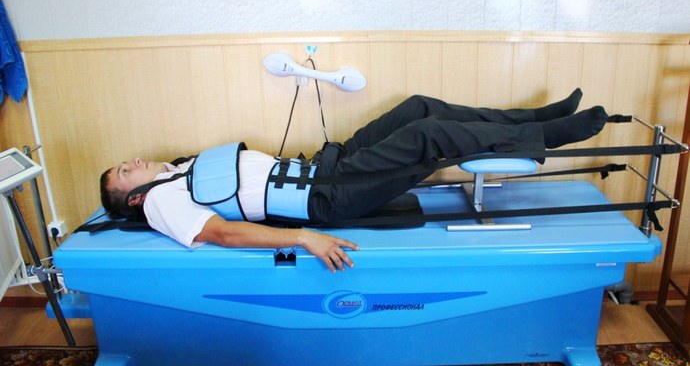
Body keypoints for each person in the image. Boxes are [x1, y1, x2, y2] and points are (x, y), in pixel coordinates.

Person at [100, 89, 608, 272]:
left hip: (325, 167)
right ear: (135, 198)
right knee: (429, 134)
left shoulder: (178, 170)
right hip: (326, 196)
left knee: (417, 108)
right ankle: (546, 137)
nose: (134, 161)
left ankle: (532, 119)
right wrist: (304, 237)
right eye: (125, 171)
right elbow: (223, 233)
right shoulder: (161, 203)